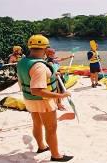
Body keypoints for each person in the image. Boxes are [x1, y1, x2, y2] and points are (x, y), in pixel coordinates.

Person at [17, 34, 73, 162]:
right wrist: (61, 95)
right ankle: (56, 155)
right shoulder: (39, 66)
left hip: (29, 99)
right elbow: (37, 90)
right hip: (43, 101)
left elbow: (25, 80)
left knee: (37, 123)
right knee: (51, 128)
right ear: (45, 49)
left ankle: (42, 146)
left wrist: (53, 73)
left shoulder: (23, 61)